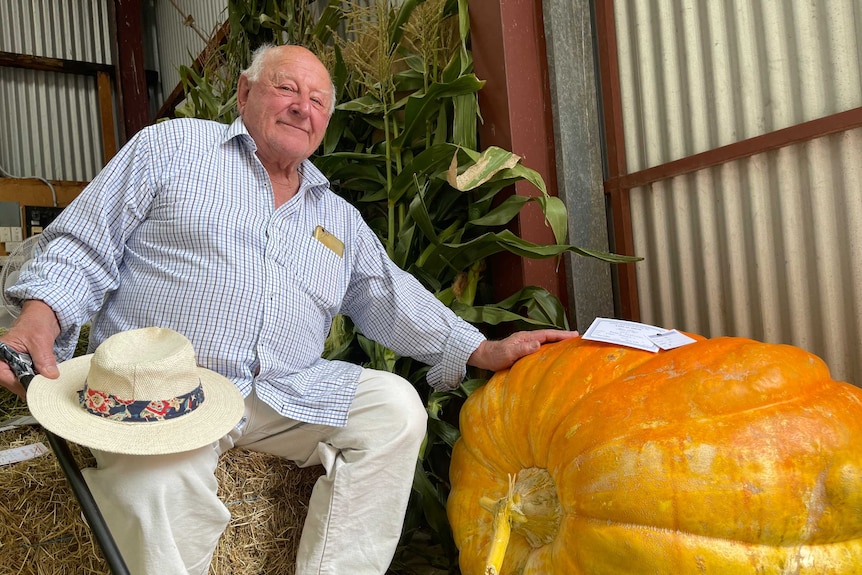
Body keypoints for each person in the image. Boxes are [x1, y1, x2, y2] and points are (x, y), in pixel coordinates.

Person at [0, 44, 578, 575]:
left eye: (318, 100)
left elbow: (389, 294)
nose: (303, 107)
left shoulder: (336, 217)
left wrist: (481, 348)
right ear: (244, 93)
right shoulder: (168, 150)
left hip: (284, 389)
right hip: (171, 390)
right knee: (155, 487)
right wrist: (38, 317)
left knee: (396, 410)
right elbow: (83, 245)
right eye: (286, 89)